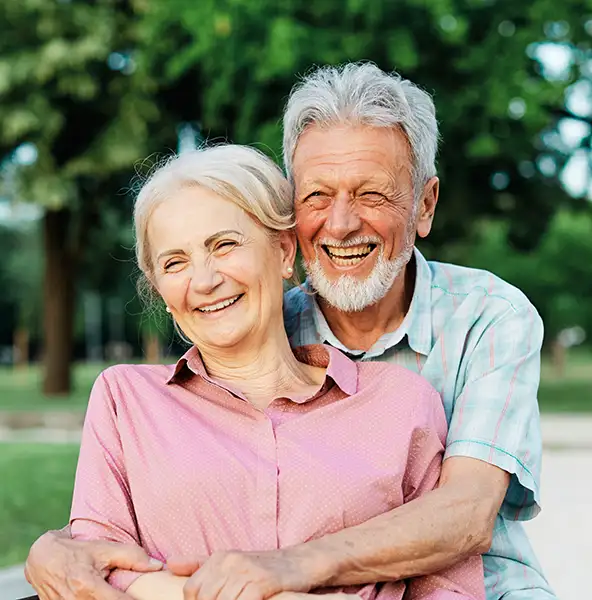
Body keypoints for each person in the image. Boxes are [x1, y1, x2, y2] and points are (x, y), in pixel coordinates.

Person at [25, 62, 555, 600]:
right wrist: (51, 547)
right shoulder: (250, 323)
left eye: (371, 195)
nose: (342, 224)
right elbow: (100, 553)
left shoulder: (485, 321)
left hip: (495, 584)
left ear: (424, 204)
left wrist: (283, 572)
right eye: (317, 197)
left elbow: (465, 514)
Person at [62, 144, 483, 600]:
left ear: (284, 251)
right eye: (175, 262)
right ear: (161, 290)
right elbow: (92, 571)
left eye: (224, 245)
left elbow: (448, 586)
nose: (203, 281)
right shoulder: (125, 401)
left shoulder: (401, 403)